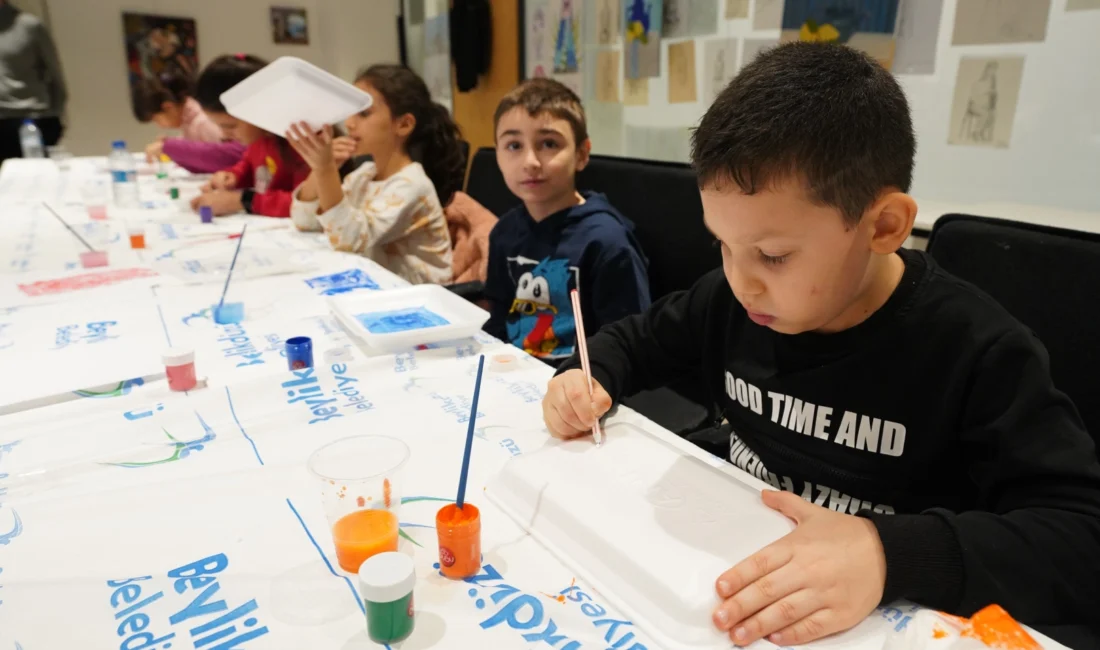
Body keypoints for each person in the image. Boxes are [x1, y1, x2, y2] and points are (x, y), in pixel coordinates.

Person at [542, 42, 1100, 648]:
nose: (740, 279)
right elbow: (636, 340)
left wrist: (890, 553)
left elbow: (1080, 537)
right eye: (721, 246)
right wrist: (585, 376)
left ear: (884, 227)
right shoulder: (735, 300)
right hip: (723, 572)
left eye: (774, 255)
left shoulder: (976, 351)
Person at [484, 77, 650, 363]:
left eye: (548, 143)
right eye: (513, 146)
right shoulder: (504, 232)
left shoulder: (606, 242)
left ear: (582, 154)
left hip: (582, 385)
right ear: (497, 154)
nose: (530, 162)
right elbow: (500, 316)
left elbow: (630, 342)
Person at [289, 64, 464, 285]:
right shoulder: (363, 175)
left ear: (403, 124)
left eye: (363, 113)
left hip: (419, 300)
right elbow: (305, 221)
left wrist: (326, 170)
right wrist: (320, 168)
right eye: (349, 112)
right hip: (377, 288)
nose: (349, 123)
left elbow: (349, 240)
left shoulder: (411, 184)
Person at [190, 54, 308, 218]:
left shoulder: (303, 141)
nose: (224, 135)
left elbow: (306, 204)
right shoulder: (260, 138)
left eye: (230, 126)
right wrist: (233, 176)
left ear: (260, 109)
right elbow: (250, 164)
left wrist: (241, 200)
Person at [132, 74, 245, 174]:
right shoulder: (188, 119)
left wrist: (171, 147)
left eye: (156, 120)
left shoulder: (203, 121)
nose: (159, 125)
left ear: (168, 107)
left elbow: (226, 157)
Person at [0, 0, 66, 163]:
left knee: (36, 182)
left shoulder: (30, 26)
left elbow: (55, 75)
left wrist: (53, 117)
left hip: (30, 121)